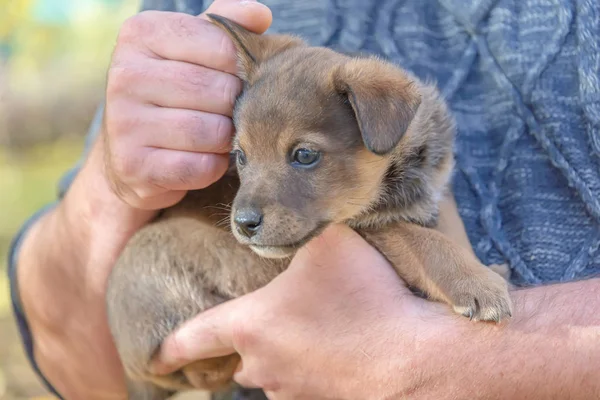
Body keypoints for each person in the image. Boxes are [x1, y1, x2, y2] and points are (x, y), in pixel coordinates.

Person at [7, 0, 600, 399]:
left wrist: (449, 360)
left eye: (304, 156)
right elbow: (79, 366)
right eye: (242, 158)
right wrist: (110, 184)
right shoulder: (208, 23)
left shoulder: (384, 109)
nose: (245, 205)